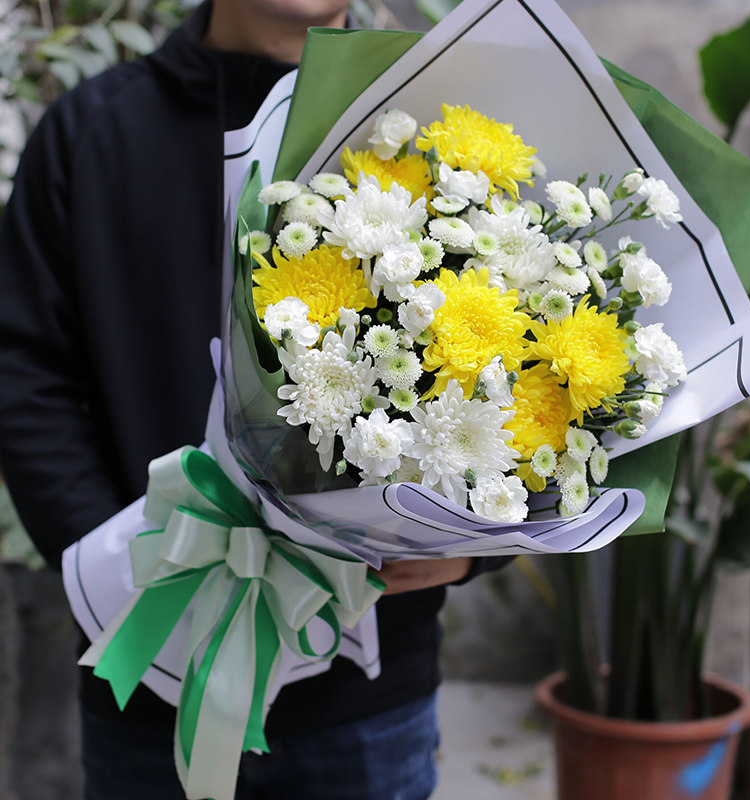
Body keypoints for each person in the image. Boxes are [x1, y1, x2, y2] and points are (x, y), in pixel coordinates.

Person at [0, 2, 510, 797]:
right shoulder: (92, 133)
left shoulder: (431, 141)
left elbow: (523, 369)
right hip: (146, 664)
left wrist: (479, 541)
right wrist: (121, 568)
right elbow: (26, 376)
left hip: (367, 691)